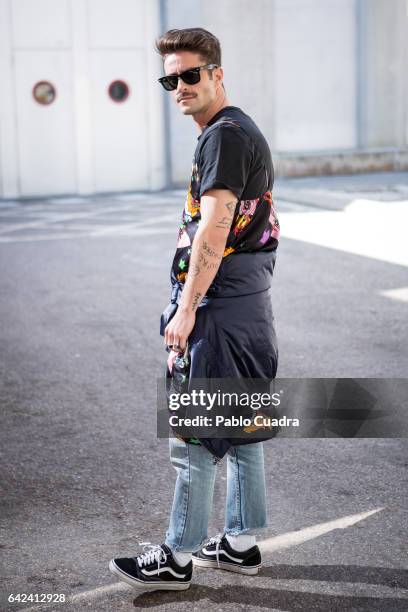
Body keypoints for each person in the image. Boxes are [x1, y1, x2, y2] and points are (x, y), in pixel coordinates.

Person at [109, 27, 280, 592]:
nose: (179, 86)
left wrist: (187, 309)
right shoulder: (239, 130)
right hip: (249, 305)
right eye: (170, 78)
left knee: (196, 432)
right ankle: (239, 542)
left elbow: (214, 225)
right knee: (243, 424)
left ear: (216, 74)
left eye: (189, 75)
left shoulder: (223, 137)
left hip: (220, 307)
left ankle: (176, 557)